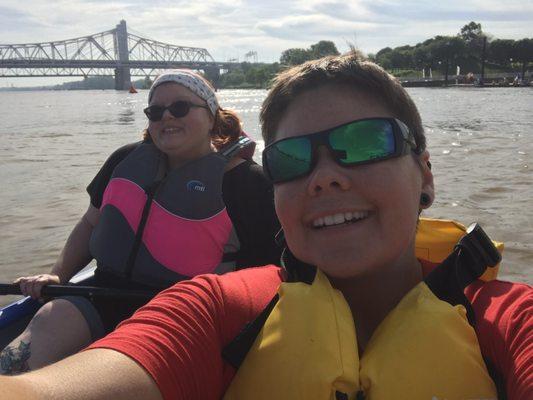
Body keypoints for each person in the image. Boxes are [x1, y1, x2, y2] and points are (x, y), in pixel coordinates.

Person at [2, 53, 531, 399]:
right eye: (292, 159)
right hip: (98, 294)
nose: (323, 177)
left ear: (426, 174)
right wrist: (57, 276)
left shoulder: (509, 323)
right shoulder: (217, 311)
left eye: (367, 142)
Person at [0, 70, 281, 374]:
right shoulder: (125, 160)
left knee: (118, 369)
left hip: (189, 313)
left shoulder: (249, 184)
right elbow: (90, 224)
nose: (167, 117)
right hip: (102, 293)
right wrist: (57, 275)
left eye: (180, 108)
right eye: (156, 111)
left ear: (212, 116)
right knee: (42, 328)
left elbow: (271, 272)